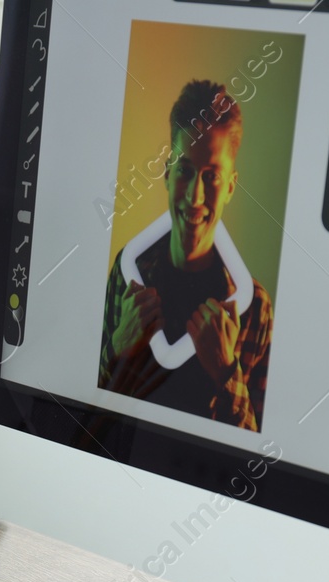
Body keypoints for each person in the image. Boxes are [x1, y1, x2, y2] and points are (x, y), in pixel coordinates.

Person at [99, 80, 274, 432]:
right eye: (185, 170)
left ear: (229, 187)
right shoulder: (128, 273)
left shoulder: (253, 307)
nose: (194, 196)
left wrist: (227, 371)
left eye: (211, 176)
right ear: (167, 174)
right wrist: (118, 348)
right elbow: (89, 420)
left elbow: (255, 455)